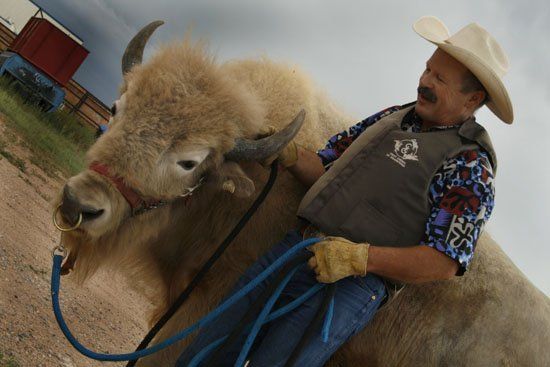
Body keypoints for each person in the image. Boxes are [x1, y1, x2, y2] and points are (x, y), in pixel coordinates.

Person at [176, 15, 513, 366]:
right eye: (428, 69)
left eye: (439, 79)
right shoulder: (393, 117)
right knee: (211, 346)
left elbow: (444, 261)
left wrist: (357, 258)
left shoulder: (472, 168)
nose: (424, 81)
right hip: (299, 248)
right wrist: (290, 156)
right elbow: (327, 169)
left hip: (352, 286)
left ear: (472, 99)